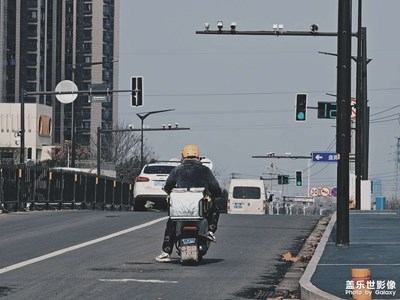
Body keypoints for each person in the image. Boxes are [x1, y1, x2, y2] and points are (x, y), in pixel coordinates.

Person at [155, 144, 222, 262]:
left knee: (171, 222)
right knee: (215, 208)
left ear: (183, 156)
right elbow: (215, 188)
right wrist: (215, 194)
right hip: (201, 207)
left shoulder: (177, 170)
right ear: (198, 157)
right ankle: (211, 231)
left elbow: (168, 186)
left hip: (181, 208)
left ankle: (166, 251)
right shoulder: (205, 170)